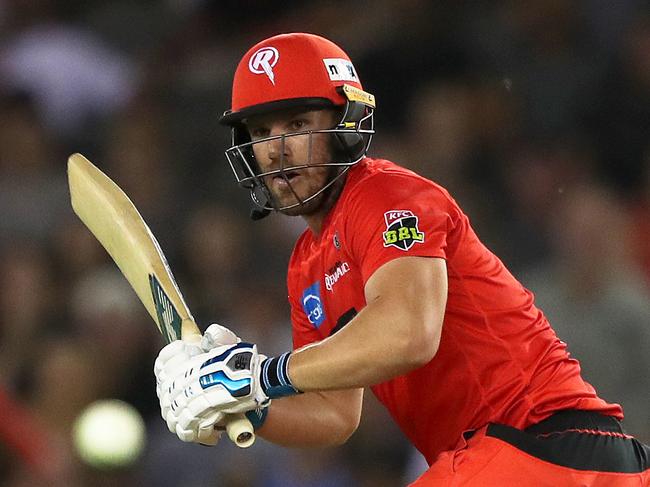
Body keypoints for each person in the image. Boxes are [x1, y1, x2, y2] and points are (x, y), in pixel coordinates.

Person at [154, 33, 650, 486]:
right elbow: (334, 416)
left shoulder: (388, 197)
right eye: (262, 131)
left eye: (298, 124)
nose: (277, 150)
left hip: (541, 447)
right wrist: (244, 402)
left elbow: (409, 334)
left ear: (345, 125)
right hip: (520, 462)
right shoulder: (306, 264)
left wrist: (262, 374)